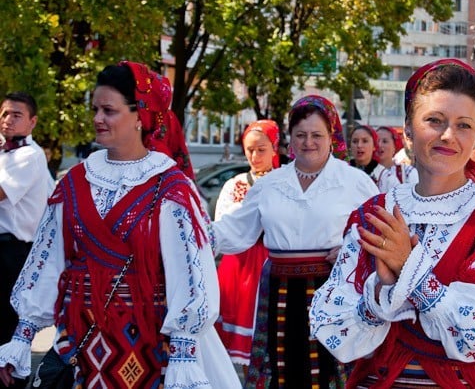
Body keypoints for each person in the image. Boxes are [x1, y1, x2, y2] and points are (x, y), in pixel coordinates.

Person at [310, 58, 475, 388]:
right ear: (408, 129)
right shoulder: (375, 212)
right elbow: (333, 323)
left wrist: (410, 270)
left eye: (464, 125)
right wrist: (382, 291)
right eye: (434, 120)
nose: (448, 135)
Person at [0, 62, 240, 388]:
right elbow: (50, 258)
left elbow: (192, 272)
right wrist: (22, 336)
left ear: (140, 116)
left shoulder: (170, 188)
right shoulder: (76, 181)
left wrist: (183, 350)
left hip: (150, 347)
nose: (98, 118)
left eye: (109, 110)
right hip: (81, 343)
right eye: (95, 108)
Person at [212, 95, 379, 388]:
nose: (308, 142)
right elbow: (235, 231)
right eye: (300, 135)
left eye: (317, 135)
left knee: (330, 370)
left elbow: (377, 233)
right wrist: (191, 234)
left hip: (332, 289)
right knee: (281, 373)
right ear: (290, 139)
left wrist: (351, 250)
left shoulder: (355, 182)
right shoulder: (270, 184)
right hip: (280, 290)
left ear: (331, 138)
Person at [0, 92, 55, 385]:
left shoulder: (28, 155)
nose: (7, 120)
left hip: (13, 254)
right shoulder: (4, 152)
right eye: (4, 114)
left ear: (32, 122)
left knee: (7, 332)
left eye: (16, 115)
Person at [214, 120, 279, 366]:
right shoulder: (234, 184)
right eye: (249, 149)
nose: (254, 155)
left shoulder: (284, 182)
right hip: (237, 265)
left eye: (261, 149)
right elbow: (222, 221)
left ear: (274, 148)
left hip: (269, 263)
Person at [375, 126, 418, 193]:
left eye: (385, 141)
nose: (379, 145)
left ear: (394, 146)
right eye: (376, 141)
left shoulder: (407, 172)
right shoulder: (366, 172)